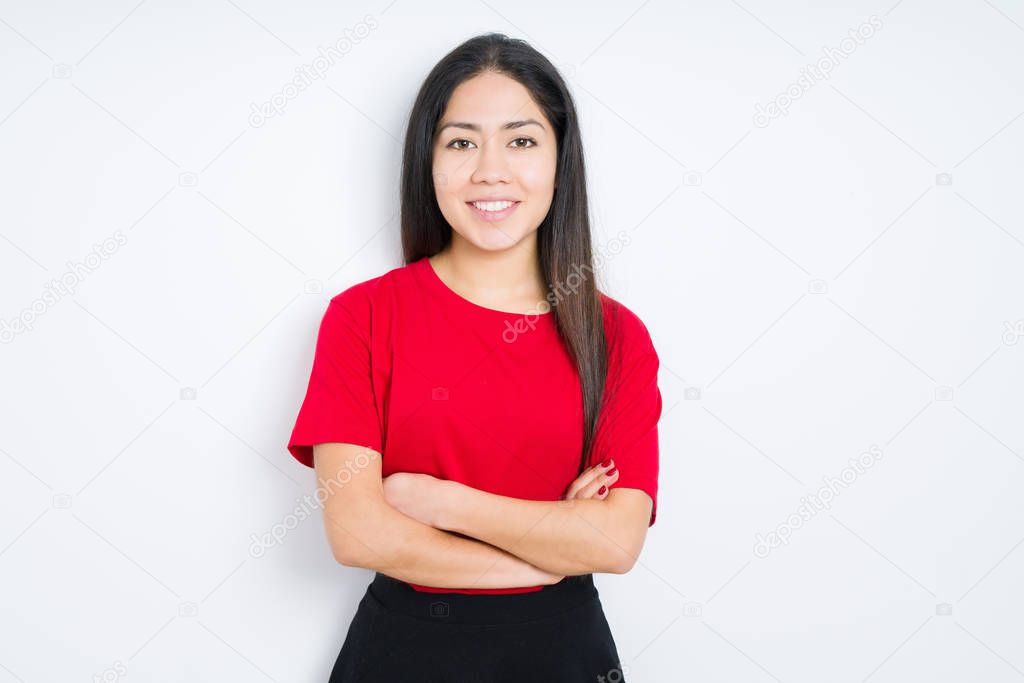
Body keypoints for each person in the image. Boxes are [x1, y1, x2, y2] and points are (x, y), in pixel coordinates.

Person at [287, 31, 663, 682]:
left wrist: (438, 501)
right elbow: (358, 534)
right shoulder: (365, 317)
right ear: (427, 161)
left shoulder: (616, 335)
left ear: (559, 158)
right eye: (462, 141)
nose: (491, 169)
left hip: (565, 657)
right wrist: (544, 553)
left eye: (521, 140)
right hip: (402, 655)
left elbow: (614, 541)